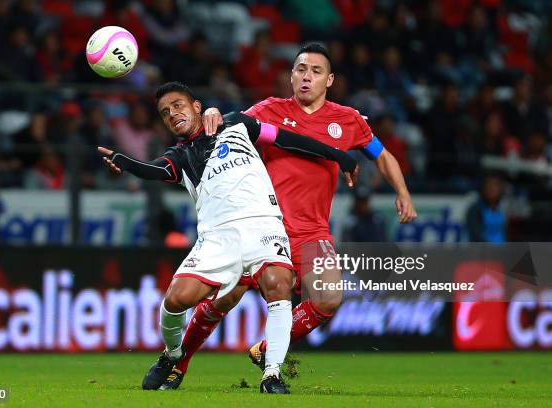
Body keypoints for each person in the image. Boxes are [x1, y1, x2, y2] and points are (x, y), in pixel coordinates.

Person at [162, 43, 417, 390]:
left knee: (328, 298)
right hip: (264, 227)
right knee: (222, 301)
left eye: (315, 71)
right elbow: (228, 125)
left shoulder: (348, 120)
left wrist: (402, 193)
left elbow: (382, 155)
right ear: (291, 76)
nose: (306, 76)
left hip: (312, 231)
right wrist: (213, 111)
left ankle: (268, 349)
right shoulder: (269, 110)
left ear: (330, 80)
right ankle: (179, 364)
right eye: (300, 69)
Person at [98, 81, 359, 394]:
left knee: (278, 286)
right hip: (218, 237)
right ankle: (173, 354)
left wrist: (337, 156)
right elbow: (152, 170)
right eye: (165, 113)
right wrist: (125, 163)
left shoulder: (237, 123)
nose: (172, 114)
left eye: (178, 105)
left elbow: (288, 139)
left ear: (197, 106)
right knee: (176, 300)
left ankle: (271, 375)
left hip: (264, 225)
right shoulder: (180, 157)